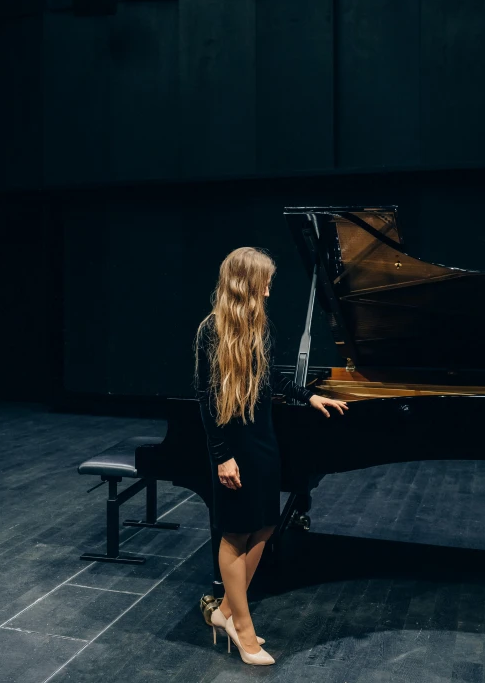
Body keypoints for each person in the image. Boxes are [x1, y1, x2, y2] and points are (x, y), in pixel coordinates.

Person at [195, 247, 348, 665]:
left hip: (263, 441)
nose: (268, 290)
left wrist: (309, 394)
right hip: (233, 445)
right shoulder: (211, 331)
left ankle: (225, 610)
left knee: (264, 526)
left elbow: (272, 376)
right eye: (264, 281)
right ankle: (242, 630)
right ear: (246, 282)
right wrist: (223, 456)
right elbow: (207, 400)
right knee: (234, 533)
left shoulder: (261, 328)